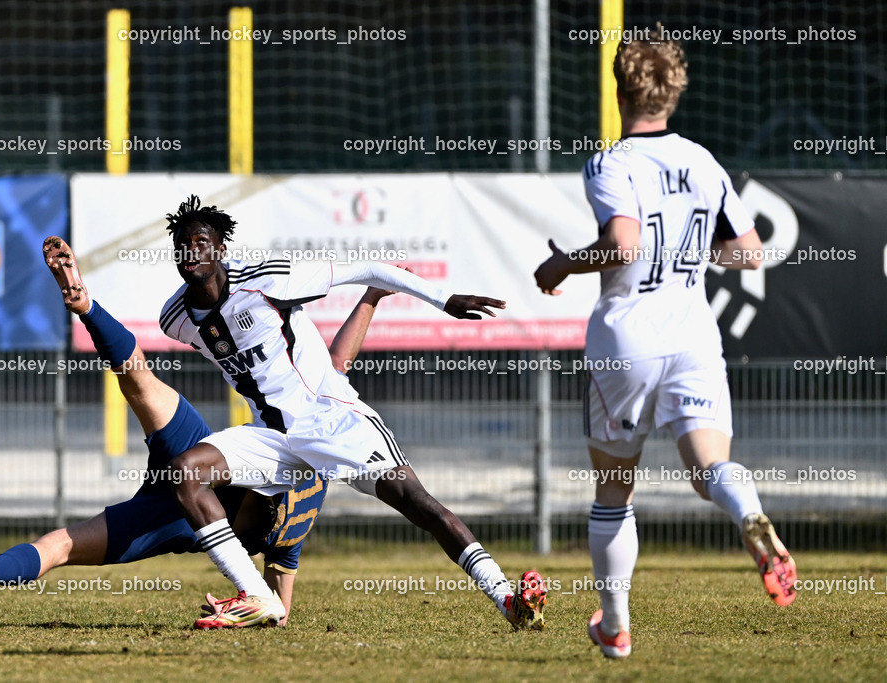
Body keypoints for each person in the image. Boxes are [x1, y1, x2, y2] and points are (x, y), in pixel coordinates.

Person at [0, 238, 392, 627]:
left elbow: (336, 364)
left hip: (178, 509)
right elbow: (337, 365)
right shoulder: (305, 479)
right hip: (197, 473)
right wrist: (370, 294)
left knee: (133, 389)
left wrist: (370, 295)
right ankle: (87, 306)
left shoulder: (303, 466)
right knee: (134, 390)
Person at [155, 195, 547, 630]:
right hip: (273, 437)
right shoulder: (174, 319)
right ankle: (258, 598)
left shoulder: (267, 279)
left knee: (415, 502)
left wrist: (444, 299)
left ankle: (506, 597)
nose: (191, 253)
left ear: (219, 248)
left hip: (332, 420)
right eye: (182, 245)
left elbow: (369, 269)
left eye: (200, 242)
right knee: (185, 472)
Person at [533, 30, 796, 658]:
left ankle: (616, 626)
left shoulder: (610, 162)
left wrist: (564, 266)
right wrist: (685, 247)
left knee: (614, 490)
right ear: (675, 93)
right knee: (711, 470)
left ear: (619, 89)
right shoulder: (704, 161)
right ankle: (749, 518)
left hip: (629, 336)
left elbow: (622, 246)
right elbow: (749, 253)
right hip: (693, 333)